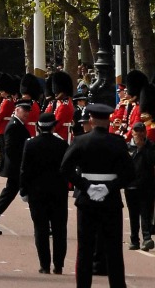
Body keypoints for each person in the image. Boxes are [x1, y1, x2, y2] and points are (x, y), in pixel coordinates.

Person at [60, 102, 134, 288]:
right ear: (108, 120)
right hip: (111, 200)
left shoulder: (80, 141)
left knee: (84, 249)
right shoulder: (117, 142)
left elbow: (65, 169)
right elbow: (129, 174)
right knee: (114, 250)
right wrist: (109, 187)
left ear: (91, 120)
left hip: (86, 200)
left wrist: (86, 186)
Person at [19, 111, 69, 274]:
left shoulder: (31, 143)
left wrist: (23, 190)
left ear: (38, 127)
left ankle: (45, 265)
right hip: (58, 192)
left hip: (37, 192)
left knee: (40, 229)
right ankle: (59, 265)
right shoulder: (62, 144)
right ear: (54, 127)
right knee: (59, 229)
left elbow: (25, 169)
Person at [0, 99, 31, 236]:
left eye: (28, 111)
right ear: (17, 110)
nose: (26, 113)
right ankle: (42, 225)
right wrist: (21, 166)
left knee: (9, 195)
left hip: (17, 167)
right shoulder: (14, 125)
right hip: (17, 168)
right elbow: (10, 149)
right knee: (29, 194)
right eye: (24, 110)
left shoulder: (17, 124)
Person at [124, 121, 155, 251]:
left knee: (146, 212)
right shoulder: (127, 147)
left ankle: (147, 238)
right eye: (136, 131)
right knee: (133, 214)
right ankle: (134, 239)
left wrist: (142, 148)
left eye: (141, 131)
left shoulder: (151, 146)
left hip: (146, 185)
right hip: (131, 185)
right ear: (132, 132)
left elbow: (151, 162)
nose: (139, 133)